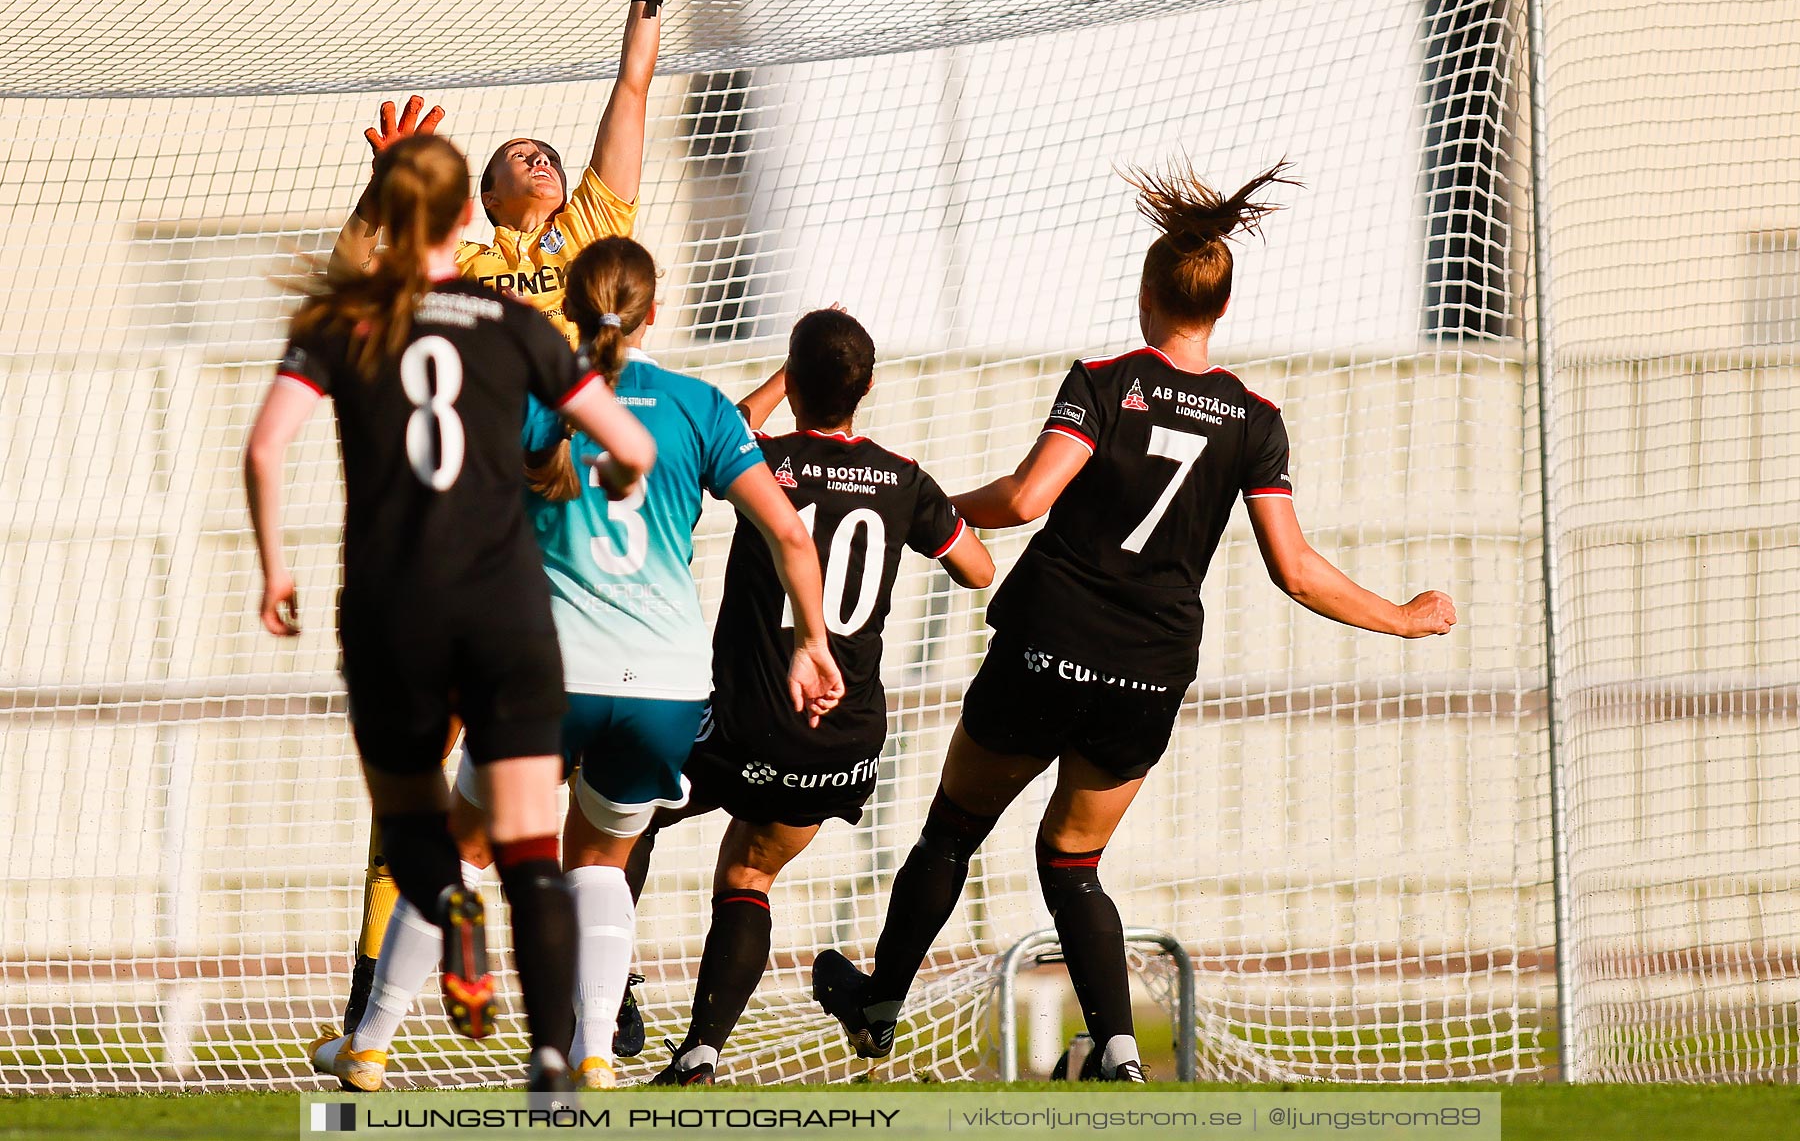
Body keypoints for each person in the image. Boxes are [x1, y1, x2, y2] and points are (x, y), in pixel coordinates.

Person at [809, 161, 1459, 1082]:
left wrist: (937, 511)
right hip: (1148, 673)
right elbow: (1297, 569)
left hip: (1048, 645)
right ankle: (1117, 1047)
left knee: (953, 828)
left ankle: (880, 1006)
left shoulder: (1107, 382)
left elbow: (1030, 495)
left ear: (1148, 293)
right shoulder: (1256, 420)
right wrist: (1401, 617)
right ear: (1221, 310)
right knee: (1072, 862)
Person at [305, 237, 844, 1093]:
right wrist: (811, 642)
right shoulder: (701, 407)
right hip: (664, 684)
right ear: (653, 311)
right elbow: (787, 532)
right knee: (597, 860)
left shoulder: (523, 401)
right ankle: (595, 1051)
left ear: (566, 302)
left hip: (544, 673)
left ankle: (368, 1043)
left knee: (462, 848)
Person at [328, 0, 707, 1038]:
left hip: (588, 549)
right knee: (434, 778)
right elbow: (358, 283)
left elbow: (633, 88)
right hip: (490, 536)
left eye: (551, 149)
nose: (541, 156)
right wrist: (389, 188)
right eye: (518, 153)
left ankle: (600, 990)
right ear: (485, 194)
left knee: (589, 777)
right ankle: (384, 994)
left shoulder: (599, 240)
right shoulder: (468, 266)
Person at [246, 134, 656, 1093]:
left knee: (414, 810)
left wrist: (274, 570)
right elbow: (627, 441)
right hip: (508, 596)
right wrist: (606, 472)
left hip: (395, 602)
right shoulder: (515, 323)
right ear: (468, 216)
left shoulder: (352, 318)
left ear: (397, 214)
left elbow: (266, 449)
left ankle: (443, 916)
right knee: (524, 836)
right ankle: (556, 1052)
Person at [626, 308, 995, 1087]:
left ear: (794, 381)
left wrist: (775, 388)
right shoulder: (904, 479)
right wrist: (919, 513)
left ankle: (612, 985)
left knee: (622, 807)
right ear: (867, 386)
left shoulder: (767, 462)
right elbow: (978, 567)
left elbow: (714, 434)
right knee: (748, 873)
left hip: (745, 724)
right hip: (841, 740)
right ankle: (699, 1051)